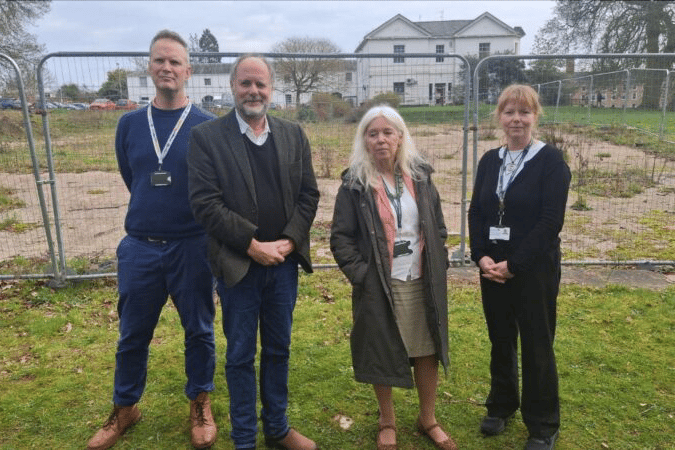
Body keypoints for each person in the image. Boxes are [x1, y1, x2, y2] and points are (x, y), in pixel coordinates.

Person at [87, 30, 217, 450]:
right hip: (140, 246)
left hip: (193, 247)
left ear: (188, 71)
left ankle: (200, 403)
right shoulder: (129, 124)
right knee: (132, 334)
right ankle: (125, 408)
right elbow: (133, 176)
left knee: (198, 330)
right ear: (150, 67)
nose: (167, 68)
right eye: (160, 60)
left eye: (175, 62)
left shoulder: (207, 127)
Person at [187, 54, 320, 450]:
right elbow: (205, 204)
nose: (253, 91)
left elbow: (309, 194)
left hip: (282, 265)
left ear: (272, 88)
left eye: (260, 84)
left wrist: (292, 240)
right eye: (246, 83)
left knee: (279, 349)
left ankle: (277, 428)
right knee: (241, 354)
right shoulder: (207, 138)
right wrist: (251, 245)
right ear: (233, 87)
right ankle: (244, 438)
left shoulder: (293, 133)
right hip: (238, 266)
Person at [330, 105, 456, 450]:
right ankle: (387, 421)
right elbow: (340, 237)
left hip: (422, 279)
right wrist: (362, 275)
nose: (381, 139)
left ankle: (427, 418)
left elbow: (439, 226)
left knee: (427, 348)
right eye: (373, 133)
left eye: (388, 132)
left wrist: (439, 260)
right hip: (380, 283)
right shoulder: (355, 184)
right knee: (382, 347)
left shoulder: (421, 176)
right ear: (365, 140)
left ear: (401, 137)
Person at [468, 84, 571, 450]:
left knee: (536, 343)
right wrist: (480, 255)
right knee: (500, 339)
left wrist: (515, 264)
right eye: (509, 112)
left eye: (524, 112)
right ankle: (501, 404)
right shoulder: (489, 161)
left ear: (535, 116)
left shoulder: (551, 162)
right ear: (499, 117)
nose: (516, 119)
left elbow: (549, 222)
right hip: (492, 267)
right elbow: (478, 211)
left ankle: (543, 424)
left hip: (532, 270)